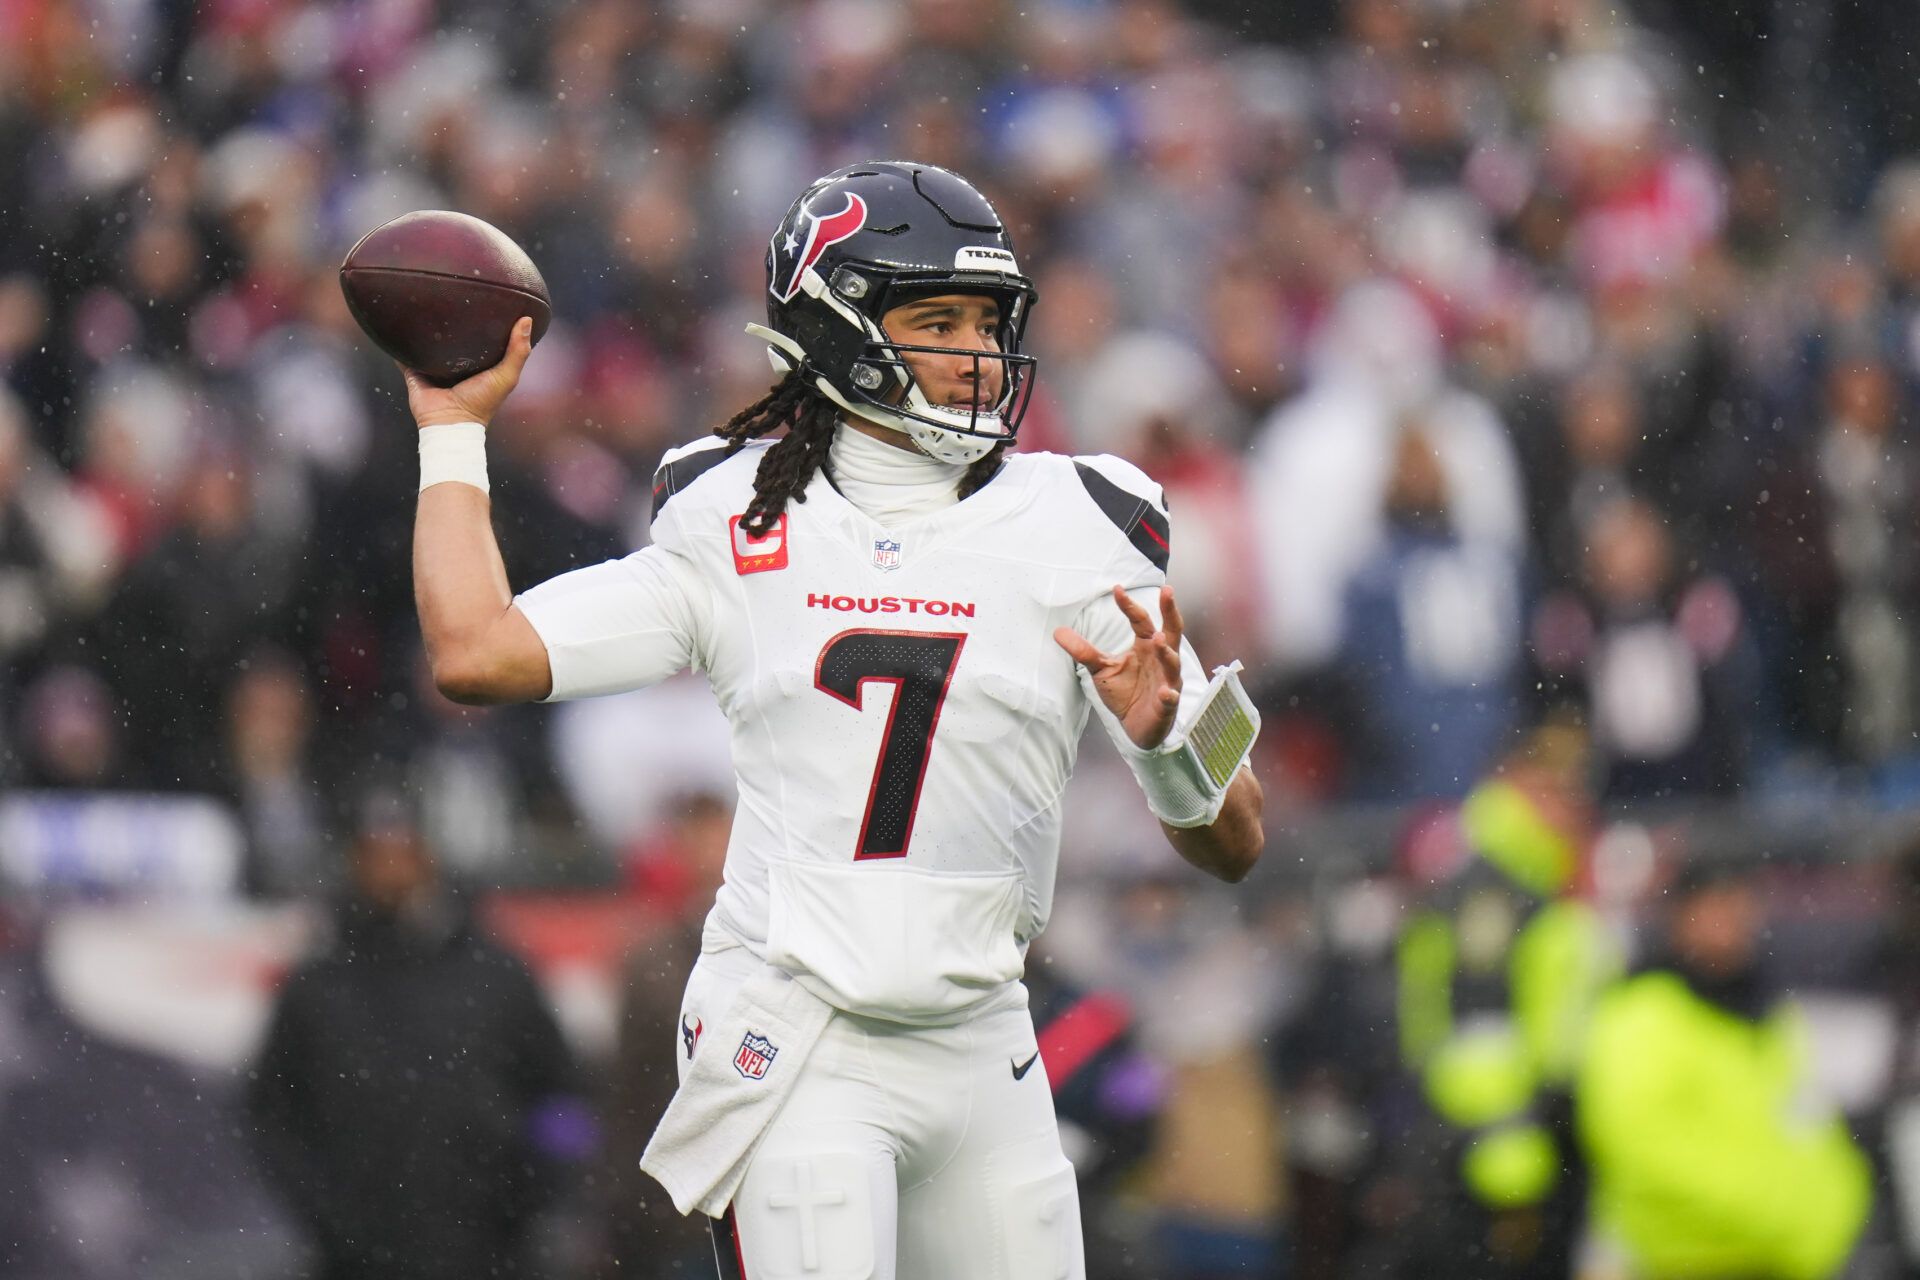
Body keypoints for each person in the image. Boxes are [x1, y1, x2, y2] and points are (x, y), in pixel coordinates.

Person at [395, 160, 1265, 1278]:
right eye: (936, 319)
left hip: (988, 1040)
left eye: (987, 322)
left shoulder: (1080, 521)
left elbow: (1235, 842)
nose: (976, 354)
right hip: (801, 1038)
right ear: (837, 328)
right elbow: (476, 650)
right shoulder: (737, 511)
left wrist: (1163, 750)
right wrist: (451, 430)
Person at [247, 793, 580, 1280]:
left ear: (430, 855)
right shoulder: (318, 985)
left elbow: (562, 1101)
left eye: (403, 849)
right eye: (376, 852)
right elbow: (272, 1119)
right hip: (352, 1259)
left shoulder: (497, 974)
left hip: (487, 1253)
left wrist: (528, 1201)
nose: (391, 868)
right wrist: (328, 1218)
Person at [1576, 859, 1872, 1280]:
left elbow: (1809, 1125)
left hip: (1785, 1260)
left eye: (1739, 906)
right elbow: (1641, 1149)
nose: (1728, 923)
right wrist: (1774, 1212)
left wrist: (1834, 1213)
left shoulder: (1766, 1013)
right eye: (1712, 908)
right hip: (1685, 1262)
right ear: (1678, 917)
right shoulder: (1642, 1013)